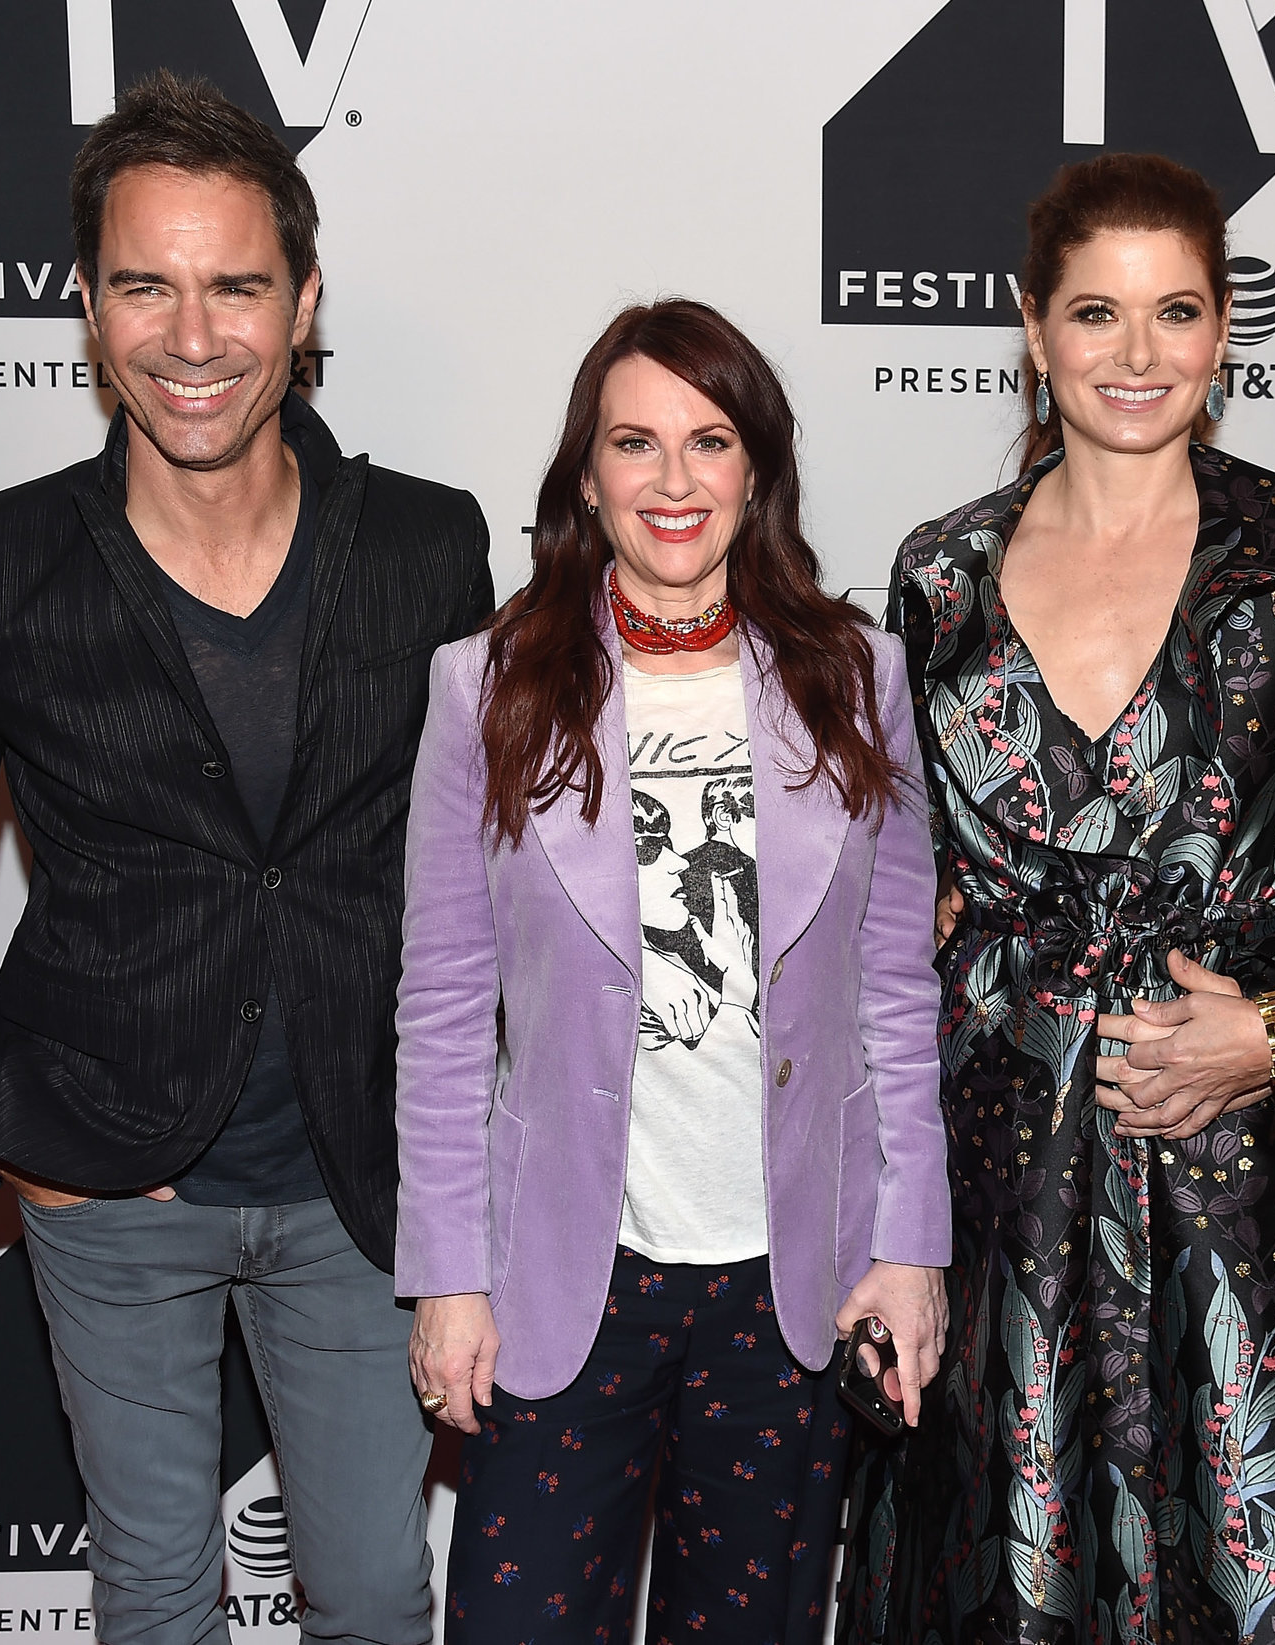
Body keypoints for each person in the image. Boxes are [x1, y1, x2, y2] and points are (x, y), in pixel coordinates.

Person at [0, 72, 492, 1645]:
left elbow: (492, 868)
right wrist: (4, 1125)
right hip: (112, 1173)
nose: (191, 337)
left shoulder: (428, 544)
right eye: (145, 284)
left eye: (235, 286)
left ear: (304, 297)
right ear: (86, 302)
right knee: (154, 1592)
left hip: (362, 1178)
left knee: (372, 1592)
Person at [839, 153, 1275, 1645]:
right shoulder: (942, 578)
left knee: (1270, 1583)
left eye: (1175, 312)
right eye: (1098, 314)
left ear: (1223, 332)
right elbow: (887, 899)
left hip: (1252, 1187)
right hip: (1006, 1184)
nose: (1137, 356)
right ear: (1035, 330)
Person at [392, 299, 950, 1645]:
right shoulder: (490, 683)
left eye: (709, 440)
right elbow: (445, 1000)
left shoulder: (855, 675)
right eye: (634, 443)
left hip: (787, 1280)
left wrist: (910, 1240)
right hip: (564, 1280)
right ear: (587, 474)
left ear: (756, 466)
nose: (674, 479)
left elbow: (895, 991)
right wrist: (449, 1274)